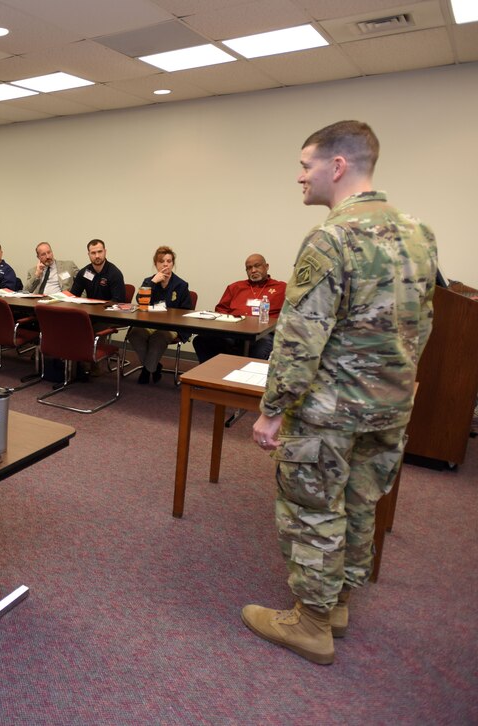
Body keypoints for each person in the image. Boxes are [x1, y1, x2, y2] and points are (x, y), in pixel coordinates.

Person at [243, 121, 437, 666]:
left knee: (313, 508)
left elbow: (300, 337)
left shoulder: (331, 238)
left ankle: (309, 623)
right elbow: (424, 324)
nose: (299, 177)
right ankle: (338, 605)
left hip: (329, 411)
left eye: (305, 166)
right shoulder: (419, 232)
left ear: (337, 166)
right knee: (359, 504)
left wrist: (273, 410)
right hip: (391, 406)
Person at [193, 254, 286, 363]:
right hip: (233, 333)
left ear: (266, 266)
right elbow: (221, 309)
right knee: (202, 340)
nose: (253, 270)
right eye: (249, 268)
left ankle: (247, 378)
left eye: (257, 266)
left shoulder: (281, 288)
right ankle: (214, 375)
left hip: (262, 335)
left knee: (261, 347)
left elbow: (290, 315)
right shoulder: (235, 287)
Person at [126, 245, 193, 384]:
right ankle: (155, 367)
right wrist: (153, 283)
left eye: (169, 261)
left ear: (173, 264)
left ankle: (147, 370)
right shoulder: (149, 281)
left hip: (171, 326)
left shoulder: (181, 285)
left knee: (158, 338)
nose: (165, 264)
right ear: (156, 264)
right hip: (149, 323)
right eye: (161, 261)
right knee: (135, 334)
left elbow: (187, 311)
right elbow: (139, 300)